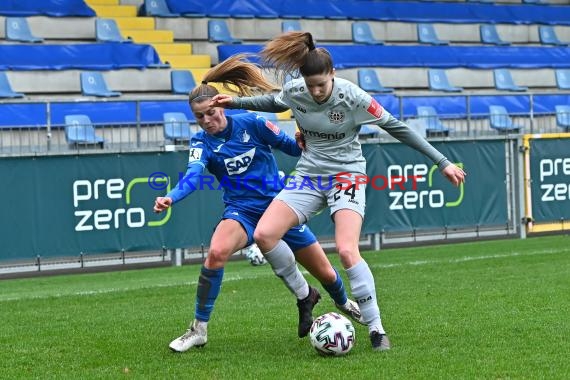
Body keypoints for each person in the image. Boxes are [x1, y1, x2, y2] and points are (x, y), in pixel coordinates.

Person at [210, 32, 466, 351]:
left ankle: (376, 329)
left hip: (347, 175)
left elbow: (397, 127)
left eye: (321, 84)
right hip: (309, 174)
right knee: (264, 235)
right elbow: (273, 102)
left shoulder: (352, 97)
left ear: (332, 75)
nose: (315, 92)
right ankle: (305, 294)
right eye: (310, 85)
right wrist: (232, 101)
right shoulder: (297, 91)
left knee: (346, 250)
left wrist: (442, 162)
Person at [153, 54, 363, 353]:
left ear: (220, 105)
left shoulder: (251, 122)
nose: (207, 120)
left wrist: (306, 138)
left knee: (327, 273)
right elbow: (192, 176)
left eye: (210, 112)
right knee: (215, 253)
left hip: (280, 207)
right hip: (243, 212)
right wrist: (170, 197)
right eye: (199, 117)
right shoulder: (201, 143)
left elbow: (292, 148)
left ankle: (342, 303)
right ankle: (198, 329)